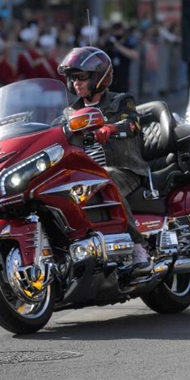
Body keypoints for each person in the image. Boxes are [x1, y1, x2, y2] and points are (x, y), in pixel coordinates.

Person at [56, 46, 150, 270]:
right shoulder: (69, 113)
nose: (76, 83)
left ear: (99, 78)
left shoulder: (120, 101)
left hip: (123, 169)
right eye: (72, 78)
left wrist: (112, 128)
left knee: (104, 178)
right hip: (85, 172)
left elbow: (133, 124)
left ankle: (139, 246)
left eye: (81, 77)